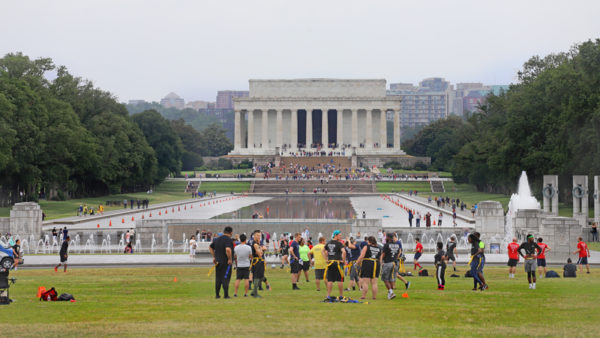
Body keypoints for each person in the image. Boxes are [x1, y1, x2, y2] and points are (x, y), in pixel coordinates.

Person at [380, 233, 410, 300]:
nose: (385, 238)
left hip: (387, 263)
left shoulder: (386, 245)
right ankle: (390, 294)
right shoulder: (396, 245)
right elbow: (399, 252)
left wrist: (381, 262)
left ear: (388, 238)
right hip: (394, 263)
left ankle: (391, 292)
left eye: (386, 237)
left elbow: (383, 254)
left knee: (385, 279)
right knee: (390, 278)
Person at [209, 226, 234, 299]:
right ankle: (226, 295)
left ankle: (217, 294)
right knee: (226, 277)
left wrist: (214, 257)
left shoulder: (217, 239)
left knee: (218, 278)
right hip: (226, 263)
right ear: (231, 232)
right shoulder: (228, 240)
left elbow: (210, 247)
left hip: (218, 262)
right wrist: (229, 259)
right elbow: (228, 249)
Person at [323, 230, 346, 301]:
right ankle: (341, 296)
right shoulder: (339, 244)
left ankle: (328, 295)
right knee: (340, 280)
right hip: (337, 263)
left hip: (330, 263)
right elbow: (344, 252)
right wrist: (343, 260)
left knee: (330, 280)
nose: (341, 236)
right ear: (335, 235)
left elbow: (323, 251)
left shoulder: (328, 243)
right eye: (340, 235)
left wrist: (326, 259)